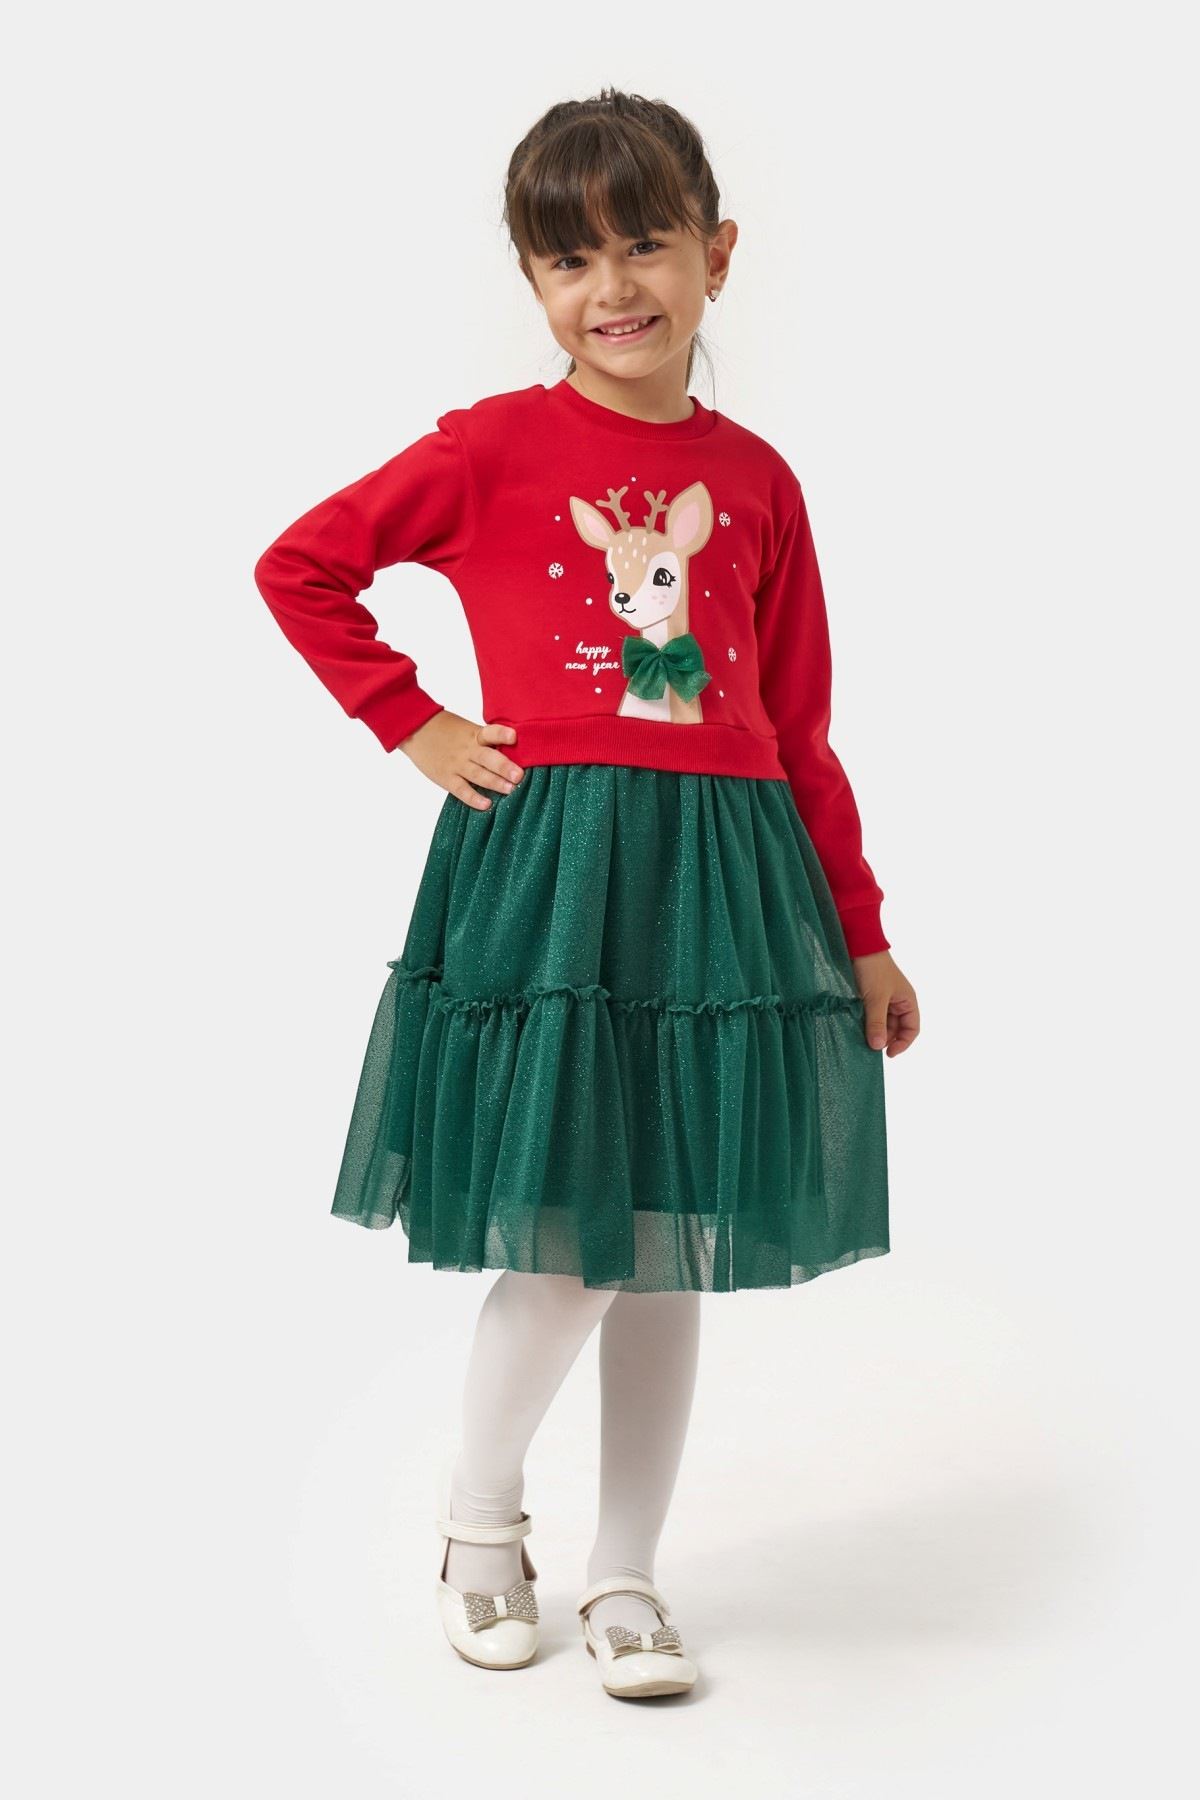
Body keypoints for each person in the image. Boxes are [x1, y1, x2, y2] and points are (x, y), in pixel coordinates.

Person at [253, 86, 921, 1700]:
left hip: (723, 886)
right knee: (570, 1239)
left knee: (672, 1237)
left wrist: (861, 930)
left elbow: (798, 725)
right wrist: (414, 721)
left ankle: (628, 1573)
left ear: (717, 254)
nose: (613, 287)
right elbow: (303, 565)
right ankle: (481, 1527)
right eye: (570, 260)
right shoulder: (490, 448)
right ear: (533, 282)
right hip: (555, 878)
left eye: (646, 245)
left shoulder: (755, 482)